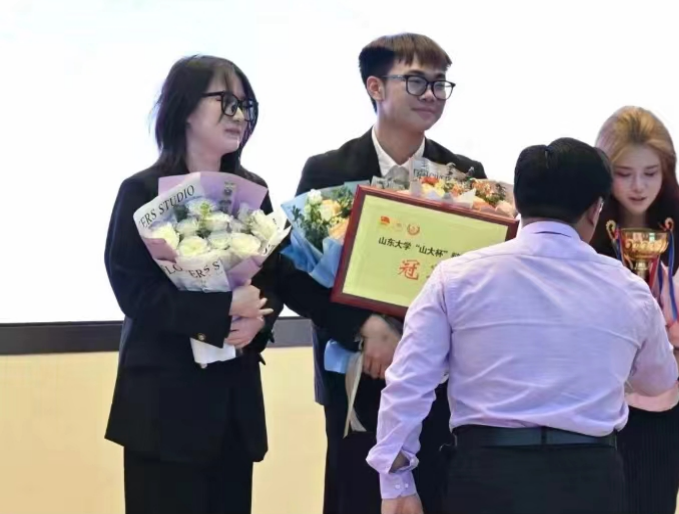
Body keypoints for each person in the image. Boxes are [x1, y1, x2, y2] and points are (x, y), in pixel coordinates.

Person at [368, 137, 679, 514]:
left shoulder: (456, 278)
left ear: (517, 201)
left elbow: (408, 384)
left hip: (486, 478)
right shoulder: (630, 290)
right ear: (595, 209)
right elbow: (659, 381)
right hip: (590, 481)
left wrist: (397, 485)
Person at [280, 33, 485, 514]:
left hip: (437, 381)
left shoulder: (463, 173)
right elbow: (291, 275)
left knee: (436, 495)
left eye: (439, 83)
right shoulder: (328, 170)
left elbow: (476, 277)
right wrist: (364, 327)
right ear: (375, 86)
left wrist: (417, 337)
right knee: (356, 497)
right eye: (415, 81)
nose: (431, 94)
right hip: (357, 374)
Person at [103, 55, 282, 514]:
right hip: (163, 410)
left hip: (233, 408)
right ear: (184, 108)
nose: (239, 116)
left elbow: (275, 277)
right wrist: (222, 311)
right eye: (226, 102)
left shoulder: (252, 189)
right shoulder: (141, 191)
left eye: (246, 105)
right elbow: (134, 292)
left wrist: (256, 323)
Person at [590, 106, 679, 514]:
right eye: (624, 173)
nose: (638, 186)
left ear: (667, 169)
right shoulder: (587, 225)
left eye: (650, 173)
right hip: (596, 401)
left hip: (663, 402)